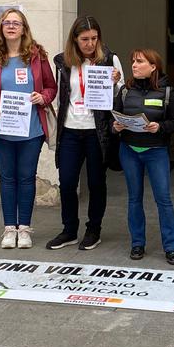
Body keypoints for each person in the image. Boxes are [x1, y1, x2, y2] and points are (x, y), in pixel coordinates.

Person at [0, 9, 57, 249]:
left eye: (16, 23)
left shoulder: (36, 55)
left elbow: (51, 88)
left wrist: (42, 97)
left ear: (24, 28)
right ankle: (9, 228)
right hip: (1, 130)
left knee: (26, 178)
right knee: (7, 179)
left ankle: (25, 229)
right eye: (7, 23)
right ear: (1, 28)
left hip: (31, 129)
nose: (11, 27)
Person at [46, 16, 124, 251]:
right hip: (70, 130)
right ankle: (69, 230)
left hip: (95, 131)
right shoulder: (63, 62)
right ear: (75, 40)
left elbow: (121, 96)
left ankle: (93, 230)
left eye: (94, 38)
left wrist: (116, 83)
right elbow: (62, 95)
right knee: (67, 182)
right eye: (84, 39)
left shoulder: (110, 60)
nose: (90, 44)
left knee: (96, 183)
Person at [113, 49, 174, 265]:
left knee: (164, 199)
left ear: (153, 66)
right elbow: (112, 120)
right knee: (134, 198)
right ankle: (137, 243)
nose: (134, 65)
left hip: (156, 151)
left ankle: (171, 247)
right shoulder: (125, 91)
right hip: (130, 150)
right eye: (133, 61)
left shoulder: (168, 92)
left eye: (139, 61)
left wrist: (159, 127)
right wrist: (116, 127)